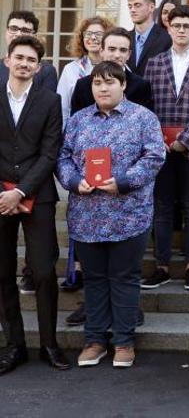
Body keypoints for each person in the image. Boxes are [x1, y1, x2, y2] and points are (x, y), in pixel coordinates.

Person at [57, 61, 165, 369]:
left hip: (129, 214)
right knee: (94, 279)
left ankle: (123, 342)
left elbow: (155, 156)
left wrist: (124, 181)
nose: (103, 88)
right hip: (87, 215)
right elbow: (63, 158)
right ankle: (94, 341)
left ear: (123, 85)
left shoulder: (143, 118)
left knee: (124, 278)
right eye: (97, 83)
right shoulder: (78, 120)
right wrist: (75, 182)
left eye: (110, 82)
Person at [0, 35, 65, 375]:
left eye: (30, 60)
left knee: (42, 271)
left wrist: (20, 191)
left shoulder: (49, 100)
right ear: (7, 59)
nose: (24, 63)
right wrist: (4, 192)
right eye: (19, 57)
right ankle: (14, 346)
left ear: (38, 68)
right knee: (2, 273)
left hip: (37, 195)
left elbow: (50, 152)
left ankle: (49, 344)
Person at [142, 5, 189, 291]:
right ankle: (161, 266)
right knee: (161, 207)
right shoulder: (155, 63)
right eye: (177, 26)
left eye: (187, 26)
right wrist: (159, 140)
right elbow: (148, 105)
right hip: (160, 148)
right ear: (169, 28)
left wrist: (184, 139)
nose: (182, 30)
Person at [71, 27, 154, 115]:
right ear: (101, 51)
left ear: (129, 54)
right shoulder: (83, 85)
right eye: (112, 49)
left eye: (123, 50)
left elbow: (147, 120)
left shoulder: (141, 86)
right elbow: (75, 123)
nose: (117, 55)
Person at [57, 16, 111, 126]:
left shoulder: (115, 68)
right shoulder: (70, 69)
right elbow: (62, 108)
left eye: (99, 34)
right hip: (78, 130)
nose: (93, 37)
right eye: (88, 33)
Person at [0, 11, 58, 93]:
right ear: (6, 32)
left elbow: (47, 104)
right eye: (13, 28)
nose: (18, 34)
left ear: (35, 36)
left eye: (25, 30)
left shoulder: (47, 71)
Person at [126, 0, 172, 76]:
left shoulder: (166, 38)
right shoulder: (125, 38)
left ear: (151, 7)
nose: (132, 10)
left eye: (137, 5)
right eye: (130, 6)